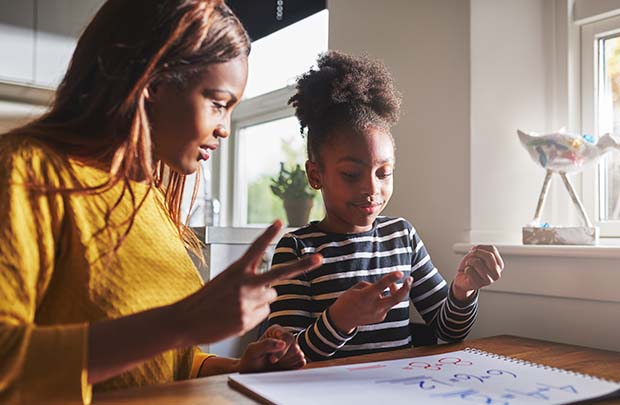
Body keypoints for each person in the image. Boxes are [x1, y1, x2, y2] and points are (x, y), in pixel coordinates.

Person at [0, 1, 322, 403]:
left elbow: (168, 363)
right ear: (153, 81)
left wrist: (236, 368)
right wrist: (183, 322)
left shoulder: (151, 199)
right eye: (218, 103)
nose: (224, 129)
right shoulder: (27, 171)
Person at [267, 51, 504, 361]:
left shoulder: (401, 237)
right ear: (316, 175)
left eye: (384, 173)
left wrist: (463, 291)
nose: (371, 188)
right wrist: (340, 320)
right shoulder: (296, 250)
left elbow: (449, 332)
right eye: (351, 174)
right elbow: (286, 356)